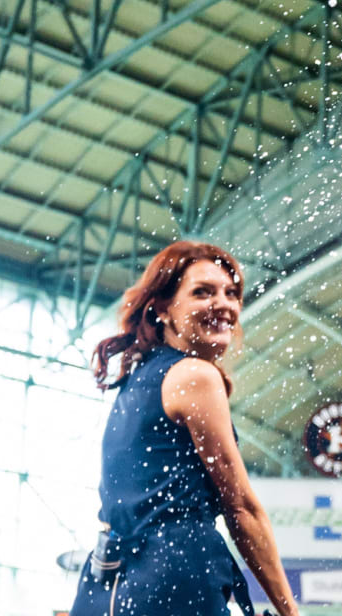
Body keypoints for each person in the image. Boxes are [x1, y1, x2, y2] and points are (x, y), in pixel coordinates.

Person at [72, 241, 299, 616]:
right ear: (163, 308)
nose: (224, 305)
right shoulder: (194, 376)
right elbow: (241, 508)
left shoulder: (138, 382)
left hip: (104, 584)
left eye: (231, 293)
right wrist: (290, 611)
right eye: (202, 293)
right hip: (174, 577)